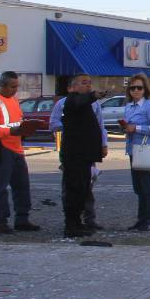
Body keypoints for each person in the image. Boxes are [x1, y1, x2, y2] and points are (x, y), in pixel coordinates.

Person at [0, 71, 41, 234]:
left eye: (16, 86)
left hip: (17, 148)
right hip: (2, 149)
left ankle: (22, 219)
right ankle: (0, 222)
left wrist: (25, 130)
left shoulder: (14, 101)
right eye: (13, 87)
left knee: (22, 186)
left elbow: (17, 122)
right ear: (3, 85)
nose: (15, 90)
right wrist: (11, 131)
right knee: (0, 188)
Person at [50, 74, 107, 230]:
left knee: (84, 189)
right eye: (84, 83)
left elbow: (100, 125)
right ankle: (71, 225)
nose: (88, 85)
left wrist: (102, 144)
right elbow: (79, 101)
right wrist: (94, 95)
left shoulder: (90, 105)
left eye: (90, 83)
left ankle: (81, 222)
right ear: (72, 87)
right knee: (73, 190)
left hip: (86, 155)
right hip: (74, 155)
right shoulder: (71, 101)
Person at [121, 73, 150, 231]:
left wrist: (136, 128)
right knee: (138, 186)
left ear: (145, 89)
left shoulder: (149, 105)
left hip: (145, 149)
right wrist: (126, 127)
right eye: (132, 88)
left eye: (139, 88)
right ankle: (142, 218)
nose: (136, 91)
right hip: (133, 149)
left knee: (146, 185)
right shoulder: (129, 106)